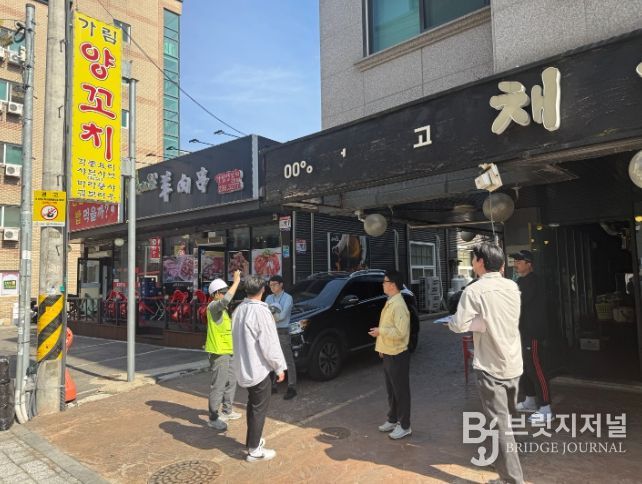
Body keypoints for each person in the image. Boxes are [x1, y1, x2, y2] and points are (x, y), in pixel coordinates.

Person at [449, 242, 524, 484]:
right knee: (507, 420)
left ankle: (512, 479)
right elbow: (504, 318)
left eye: (473, 259)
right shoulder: (512, 286)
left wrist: (475, 323)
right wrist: (483, 322)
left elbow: (458, 324)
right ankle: (502, 462)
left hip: (490, 366)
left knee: (500, 425)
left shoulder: (474, 291)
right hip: (513, 363)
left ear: (480, 262)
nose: (472, 263)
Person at [232, 275, 287, 462]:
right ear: (262, 290)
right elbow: (269, 344)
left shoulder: (239, 309)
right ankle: (254, 450)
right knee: (258, 408)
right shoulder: (261, 311)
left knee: (253, 405)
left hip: (244, 366)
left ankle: (252, 441)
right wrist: (279, 367)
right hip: (259, 368)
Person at [368, 269, 412, 440]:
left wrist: (381, 332)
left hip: (397, 354)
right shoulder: (391, 301)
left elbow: (400, 332)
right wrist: (381, 347)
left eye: (385, 282)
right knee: (392, 391)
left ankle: (405, 425)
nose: (383, 284)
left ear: (392, 285)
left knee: (400, 391)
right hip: (389, 352)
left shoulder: (399, 305)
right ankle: (393, 419)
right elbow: (389, 327)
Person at [511, 250, 553, 423]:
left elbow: (519, 302)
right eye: (515, 261)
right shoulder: (520, 281)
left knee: (536, 369)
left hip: (533, 332)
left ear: (529, 264)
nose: (516, 264)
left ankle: (546, 408)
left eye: (519, 261)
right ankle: (530, 400)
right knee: (524, 368)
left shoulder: (535, 281)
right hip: (521, 332)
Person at [205, 270, 242, 431]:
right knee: (218, 386)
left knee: (231, 381)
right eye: (224, 291)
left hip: (228, 351)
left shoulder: (223, 311)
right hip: (219, 353)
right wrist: (236, 282)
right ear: (216, 294)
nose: (226, 294)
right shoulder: (213, 306)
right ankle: (213, 418)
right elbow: (225, 300)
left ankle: (227, 410)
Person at [265, 275, 297, 400]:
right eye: (270, 285)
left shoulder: (288, 298)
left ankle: (292, 387)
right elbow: (265, 314)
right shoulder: (269, 297)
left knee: (288, 360)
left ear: (281, 284)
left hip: (283, 331)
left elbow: (282, 316)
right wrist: (273, 316)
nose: (272, 287)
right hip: (271, 331)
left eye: (274, 284)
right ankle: (272, 386)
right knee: (272, 359)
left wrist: (271, 315)